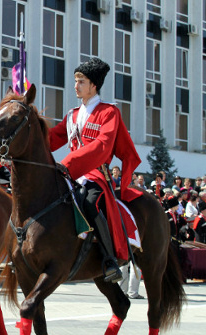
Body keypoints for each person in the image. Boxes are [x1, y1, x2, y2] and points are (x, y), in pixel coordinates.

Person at [48, 57, 142, 283]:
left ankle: (110, 259)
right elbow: (52, 138)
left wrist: (69, 163)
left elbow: (103, 145)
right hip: (69, 172)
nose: (76, 86)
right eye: (75, 80)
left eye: (81, 81)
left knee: (89, 203)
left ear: (94, 85)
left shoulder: (109, 112)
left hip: (95, 174)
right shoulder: (72, 114)